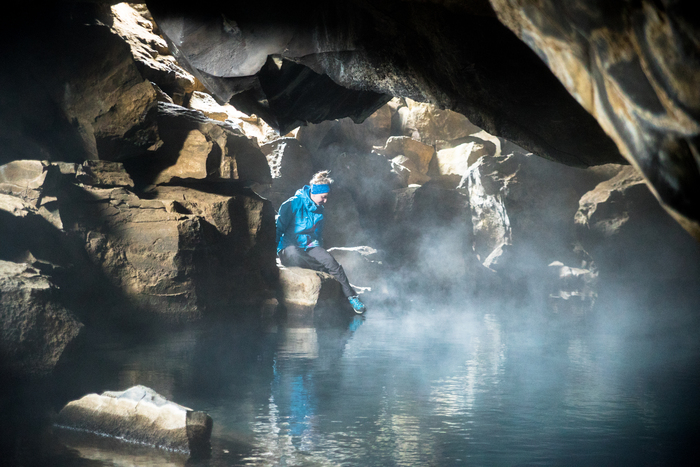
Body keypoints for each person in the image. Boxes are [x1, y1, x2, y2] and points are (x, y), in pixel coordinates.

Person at [276, 171, 367, 314]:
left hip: (309, 246)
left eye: (326, 198)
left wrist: (321, 254)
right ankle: (327, 274)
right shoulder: (292, 204)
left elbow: (317, 236)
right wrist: (274, 250)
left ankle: (351, 297)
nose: (325, 201)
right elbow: (278, 228)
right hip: (289, 247)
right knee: (294, 254)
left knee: (332, 263)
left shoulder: (319, 211)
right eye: (323, 197)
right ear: (314, 192)